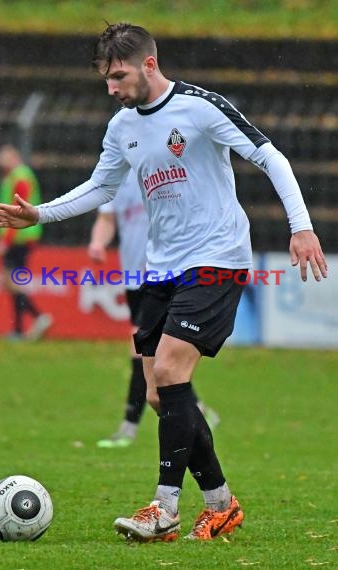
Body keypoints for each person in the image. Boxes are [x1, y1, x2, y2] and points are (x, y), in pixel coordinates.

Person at [0, 23, 327, 543]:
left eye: (118, 75)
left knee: (168, 369)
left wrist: (300, 226)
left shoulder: (200, 107)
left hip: (216, 258)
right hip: (160, 266)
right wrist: (38, 214)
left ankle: (163, 508)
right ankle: (221, 504)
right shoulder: (122, 126)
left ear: (149, 63)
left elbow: (269, 155)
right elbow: (101, 186)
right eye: (105, 78)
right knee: (160, 394)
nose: (112, 87)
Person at [88, 169, 220, 448]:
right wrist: (98, 243)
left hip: (165, 274)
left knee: (141, 344)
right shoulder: (117, 176)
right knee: (158, 351)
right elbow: (107, 218)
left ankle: (128, 426)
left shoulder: (164, 171)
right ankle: (197, 409)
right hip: (133, 279)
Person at [0, 145, 53, 341]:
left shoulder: (19, 177)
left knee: (12, 281)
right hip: (21, 235)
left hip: (20, 236)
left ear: (13, 157)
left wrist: (5, 240)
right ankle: (19, 328)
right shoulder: (16, 175)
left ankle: (38, 317)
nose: (0, 162)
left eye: (3, 158)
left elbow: (18, 211)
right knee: (12, 281)